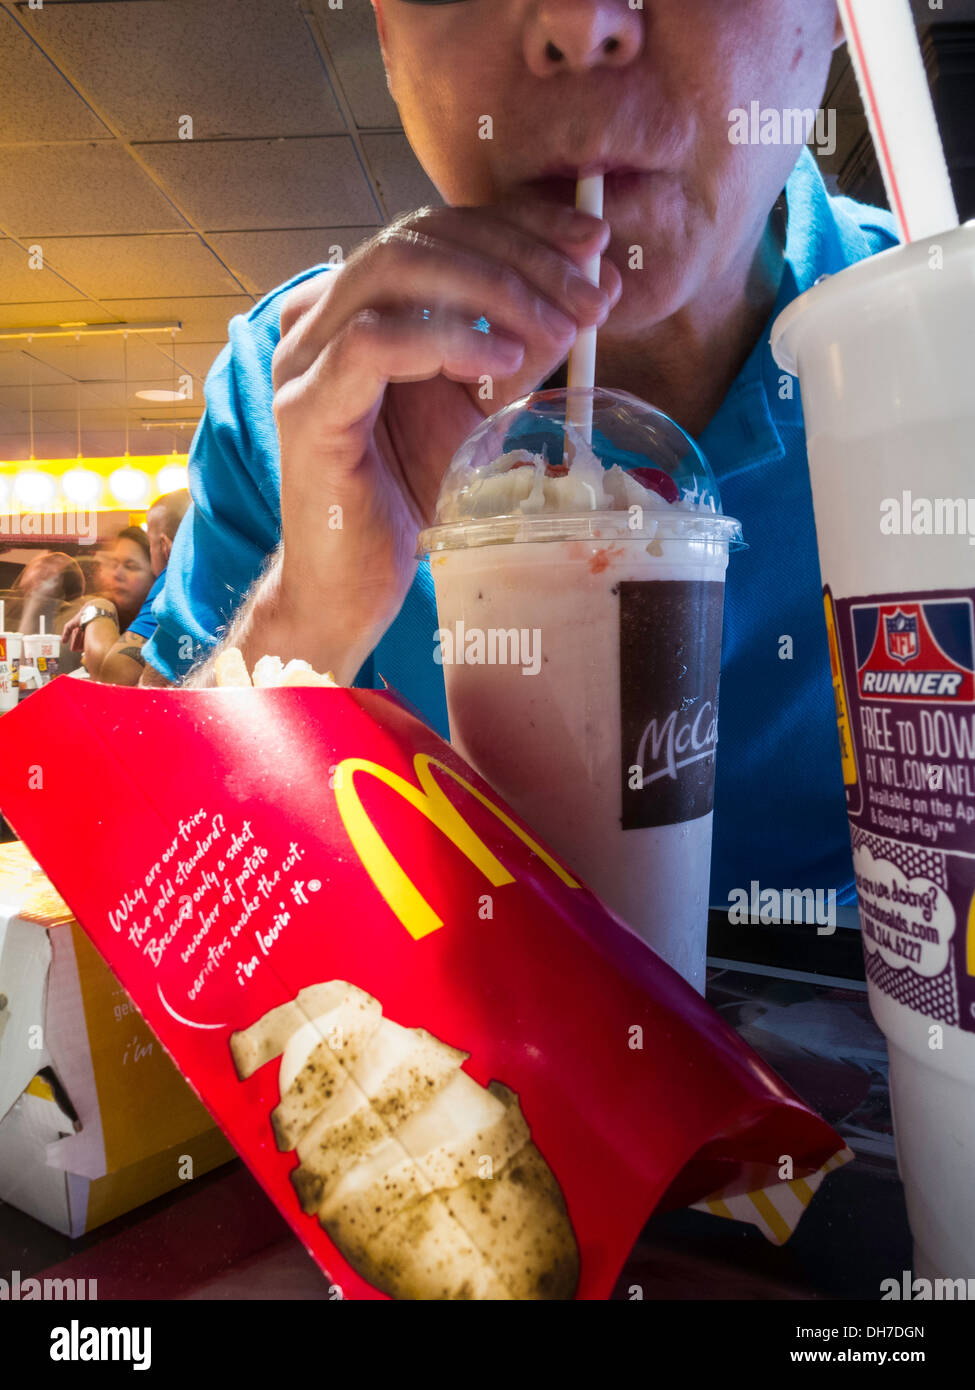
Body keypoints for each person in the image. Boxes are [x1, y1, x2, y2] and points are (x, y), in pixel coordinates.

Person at [140, 1, 899, 912]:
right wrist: (305, 617)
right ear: (385, 32)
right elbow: (157, 899)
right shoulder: (300, 388)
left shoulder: (937, 362)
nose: (580, 24)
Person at [64, 493, 190, 684]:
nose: (117, 574)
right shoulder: (214, 572)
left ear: (164, 546)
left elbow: (113, 680)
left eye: (131, 566)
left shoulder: (175, 577)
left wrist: (99, 608)